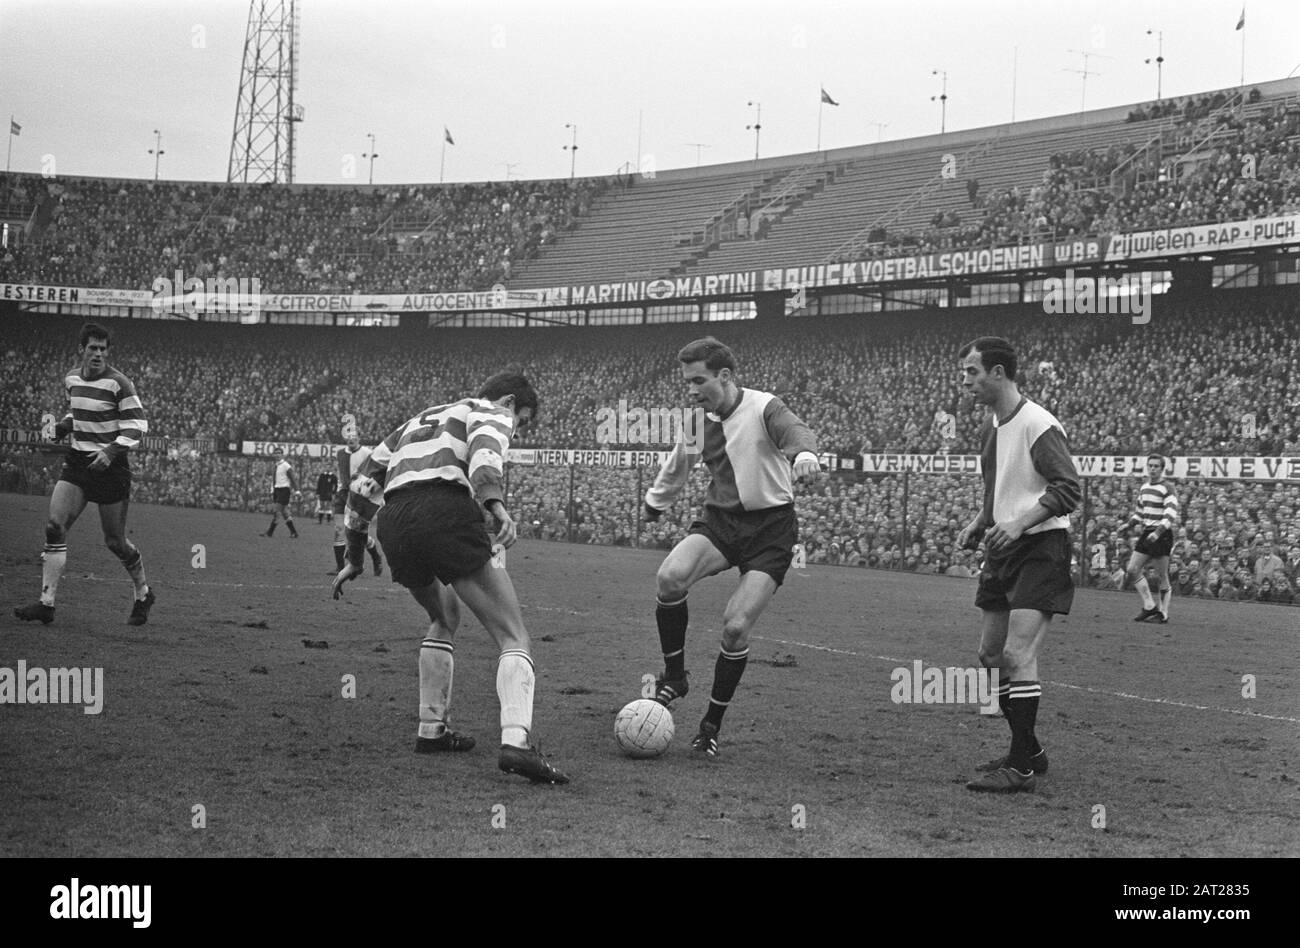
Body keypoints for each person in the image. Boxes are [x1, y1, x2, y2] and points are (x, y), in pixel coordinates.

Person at [331, 371, 568, 785]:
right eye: (523, 420)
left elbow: (363, 486)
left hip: (395, 522)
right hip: (443, 510)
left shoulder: (414, 422)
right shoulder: (491, 410)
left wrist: (353, 555)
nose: (518, 427)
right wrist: (495, 505)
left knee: (444, 616)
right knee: (513, 634)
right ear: (510, 402)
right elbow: (486, 450)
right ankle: (517, 745)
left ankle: (431, 730)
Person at [644, 337, 820, 759]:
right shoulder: (696, 422)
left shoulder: (763, 407)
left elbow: (796, 429)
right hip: (721, 523)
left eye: (698, 380)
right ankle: (675, 676)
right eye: (686, 382)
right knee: (669, 578)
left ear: (724, 376)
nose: (691, 390)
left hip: (771, 532)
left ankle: (710, 726)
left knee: (736, 626)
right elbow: (677, 465)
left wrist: (805, 455)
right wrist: (656, 501)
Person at [955, 337, 1080, 793]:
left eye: (972, 372)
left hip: (1041, 547)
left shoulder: (1038, 423)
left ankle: (1022, 769)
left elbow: (1068, 489)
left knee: (1016, 654)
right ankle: (1027, 750)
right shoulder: (991, 426)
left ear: (999, 373)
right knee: (990, 656)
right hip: (1002, 547)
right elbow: (997, 490)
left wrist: (1019, 523)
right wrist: (980, 521)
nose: (965, 381)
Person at [14, 322, 156, 626]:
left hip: (111, 468)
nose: (98, 353)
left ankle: (143, 592)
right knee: (55, 525)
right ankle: (46, 603)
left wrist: (110, 451)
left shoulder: (120, 383)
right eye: (93, 347)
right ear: (82, 349)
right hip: (78, 463)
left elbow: (137, 425)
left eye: (103, 349)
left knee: (115, 542)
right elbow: (75, 411)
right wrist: (63, 427)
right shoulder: (72, 379)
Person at [1124, 455, 1180, 624]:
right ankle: (1149, 606)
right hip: (1147, 532)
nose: (1153, 468)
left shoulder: (1168, 487)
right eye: (1150, 465)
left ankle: (1163, 613)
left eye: (1156, 466)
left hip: (1161, 535)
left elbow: (1170, 514)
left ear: (1162, 468)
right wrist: (1128, 525)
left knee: (1162, 575)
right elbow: (1140, 512)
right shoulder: (1144, 487)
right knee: (1132, 570)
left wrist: (1158, 532)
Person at [331, 433, 384, 575]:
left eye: (354, 436)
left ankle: (375, 556)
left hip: (358, 497)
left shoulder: (367, 453)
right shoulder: (340, 453)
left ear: (359, 438)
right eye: (348, 436)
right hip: (342, 495)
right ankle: (340, 567)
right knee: (338, 529)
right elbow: (340, 472)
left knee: (357, 532)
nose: (351, 439)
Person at [261, 448, 300, 539]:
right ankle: (294, 532)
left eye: (279, 453)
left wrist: (297, 490)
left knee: (276, 511)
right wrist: (272, 489)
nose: (277, 455)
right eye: (276, 453)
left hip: (284, 490)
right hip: (277, 490)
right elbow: (274, 479)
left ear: (282, 455)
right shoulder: (276, 465)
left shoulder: (286, 465)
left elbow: (293, 478)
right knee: (285, 512)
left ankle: (270, 532)